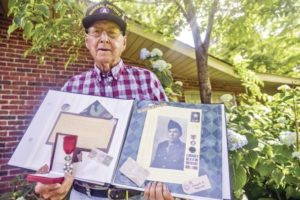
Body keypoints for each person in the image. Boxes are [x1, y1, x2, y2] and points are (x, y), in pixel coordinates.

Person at [34, 1, 174, 200]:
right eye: (96, 32)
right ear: (87, 41)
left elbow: (164, 134)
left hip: (137, 195)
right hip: (83, 195)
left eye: (112, 32)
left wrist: (167, 185)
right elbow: (56, 147)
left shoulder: (147, 81)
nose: (104, 39)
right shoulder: (73, 87)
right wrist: (50, 180)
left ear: (124, 42)